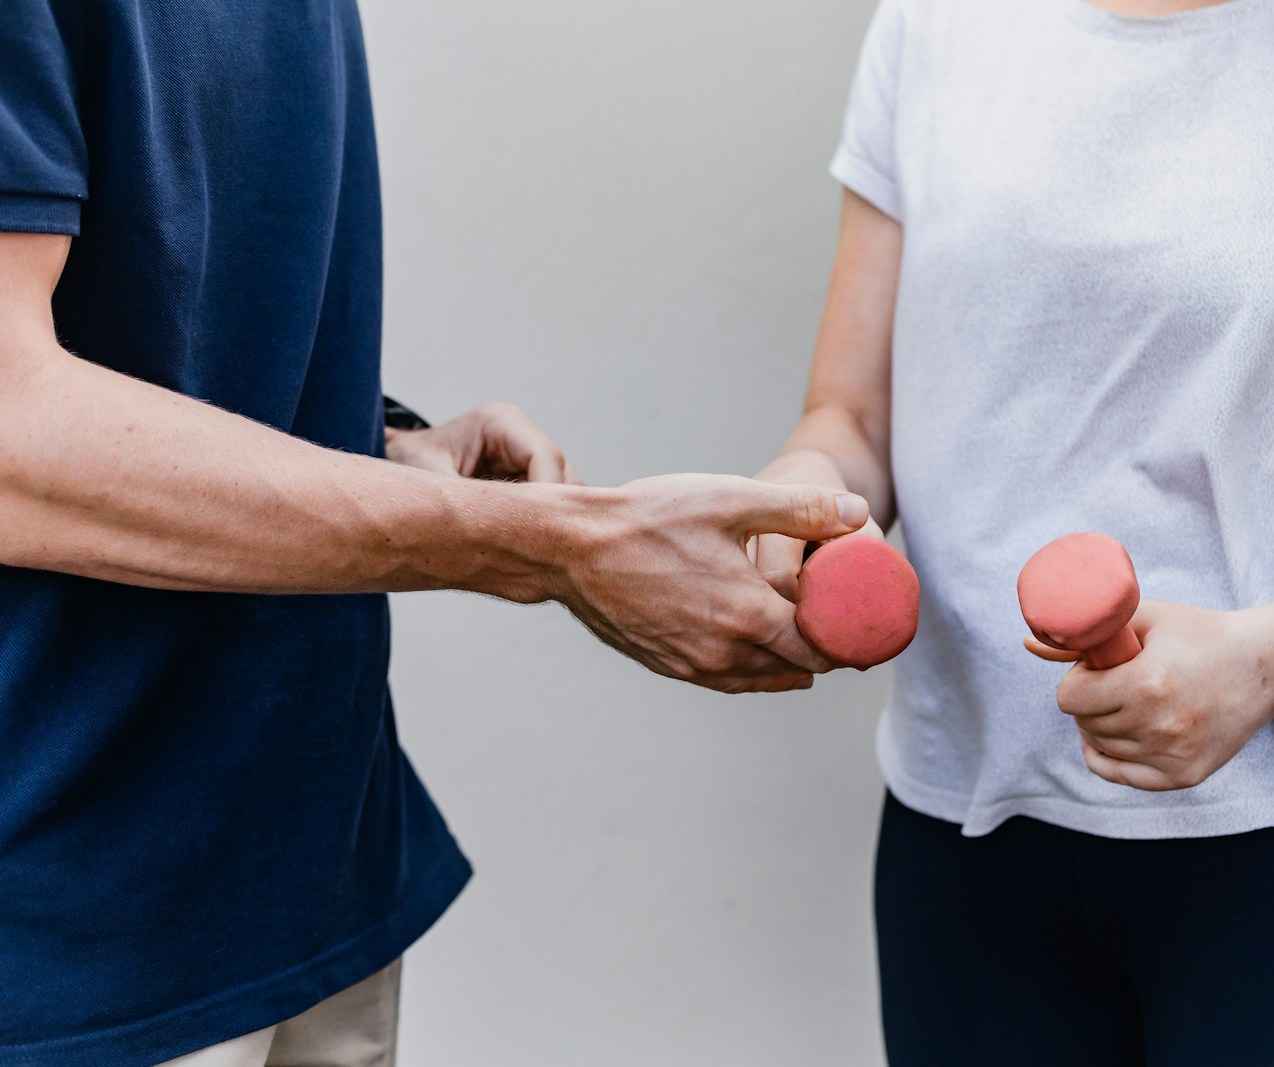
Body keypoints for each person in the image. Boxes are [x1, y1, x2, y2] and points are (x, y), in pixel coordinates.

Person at [0, 2, 867, 1064]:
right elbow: (12, 445)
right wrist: (545, 543)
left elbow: (152, 290)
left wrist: (372, 436)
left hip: (311, 865)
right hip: (73, 928)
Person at [752, 0, 1274, 1062]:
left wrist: (1264, 664)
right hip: (970, 841)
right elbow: (854, 415)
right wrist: (802, 498)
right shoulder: (934, 22)